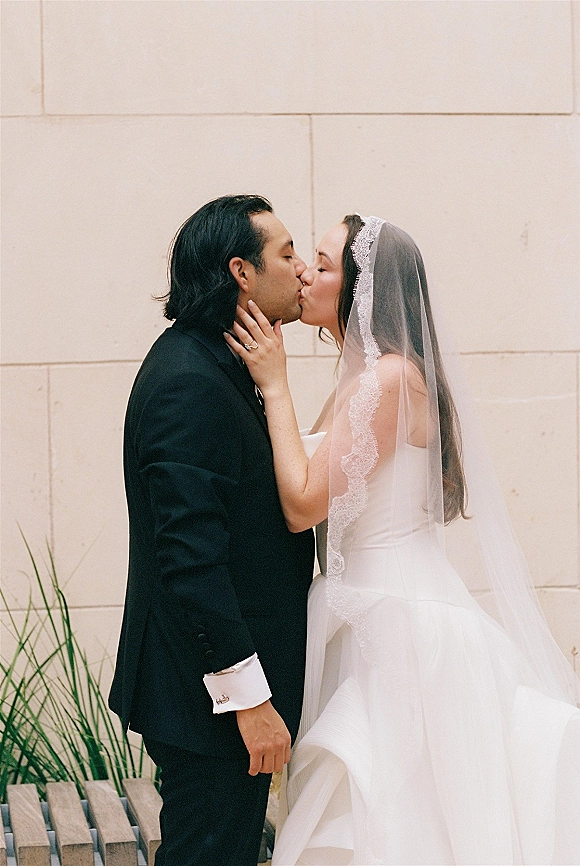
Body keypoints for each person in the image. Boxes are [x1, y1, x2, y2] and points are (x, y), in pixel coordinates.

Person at [226, 214, 580, 865]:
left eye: (324, 264)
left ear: (364, 291)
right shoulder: (366, 380)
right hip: (363, 619)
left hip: (399, 633)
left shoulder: (390, 380)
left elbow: (304, 504)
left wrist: (274, 385)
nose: (306, 272)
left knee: (395, 825)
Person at [108, 194, 315, 866]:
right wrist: (248, 701)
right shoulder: (187, 383)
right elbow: (189, 559)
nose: (303, 268)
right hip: (209, 706)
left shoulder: (216, 362)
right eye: (286, 254)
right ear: (241, 272)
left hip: (215, 700)